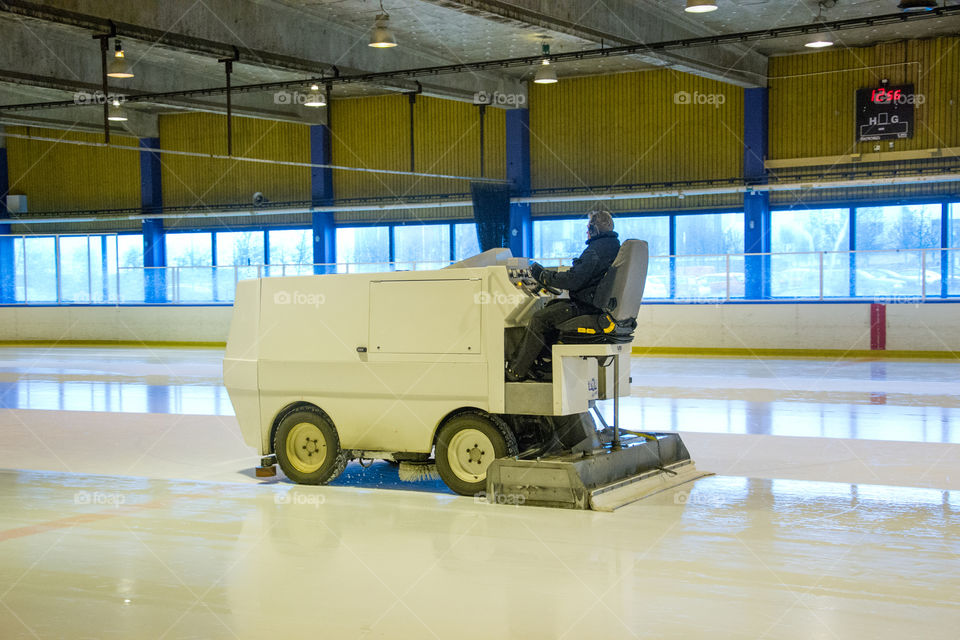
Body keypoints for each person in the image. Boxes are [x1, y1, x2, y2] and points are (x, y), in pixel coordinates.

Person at [506, 209, 620, 382]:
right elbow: (582, 275)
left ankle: (516, 370)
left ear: (594, 230)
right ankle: (544, 364)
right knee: (552, 308)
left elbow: (574, 280)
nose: (587, 233)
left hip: (586, 307)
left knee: (540, 318)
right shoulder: (613, 246)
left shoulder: (595, 250)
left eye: (588, 229)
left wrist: (544, 276)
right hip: (595, 305)